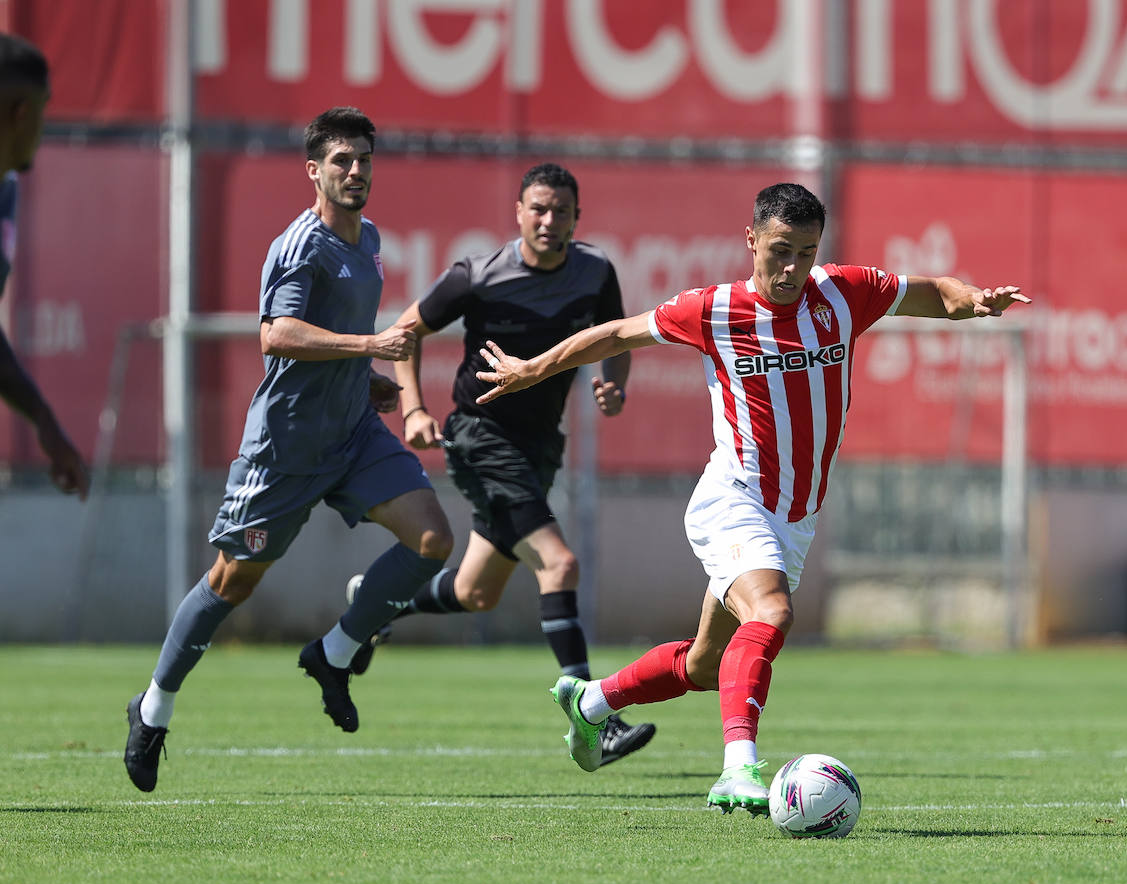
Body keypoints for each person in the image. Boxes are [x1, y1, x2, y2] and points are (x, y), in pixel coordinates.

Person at [476, 182, 1027, 813]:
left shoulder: (842, 292)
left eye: (807, 251)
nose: (792, 268)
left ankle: (591, 701)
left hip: (796, 517)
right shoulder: (714, 309)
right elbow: (616, 335)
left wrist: (973, 300)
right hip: (734, 498)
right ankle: (739, 769)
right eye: (780, 250)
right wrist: (530, 370)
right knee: (772, 613)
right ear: (752, 241)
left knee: (708, 665)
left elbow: (928, 291)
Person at [123, 107, 455, 792]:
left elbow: (328, 336)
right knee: (231, 582)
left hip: (352, 435)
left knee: (432, 540)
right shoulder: (302, 246)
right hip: (286, 450)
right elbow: (277, 335)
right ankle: (153, 708)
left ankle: (334, 654)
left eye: (364, 159)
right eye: (341, 160)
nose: (356, 171)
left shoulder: (369, 241)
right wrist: (369, 348)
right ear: (314, 170)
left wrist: (365, 382)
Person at [346, 162, 655, 766]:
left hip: (539, 446)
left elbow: (616, 338)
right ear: (518, 213)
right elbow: (403, 334)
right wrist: (413, 409)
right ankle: (595, 716)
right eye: (537, 208)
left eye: (561, 210)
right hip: (480, 436)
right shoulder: (478, 275)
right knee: (559, 563)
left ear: (576, 219)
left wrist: (613, 385)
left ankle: (373, 601)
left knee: (475, 592)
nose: (548, 220)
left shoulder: (595, 272)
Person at [0, 33, 88, 499]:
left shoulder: (6, 190)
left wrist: (42, 418)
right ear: (19, 112)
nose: (43, 125)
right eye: (42, 109)